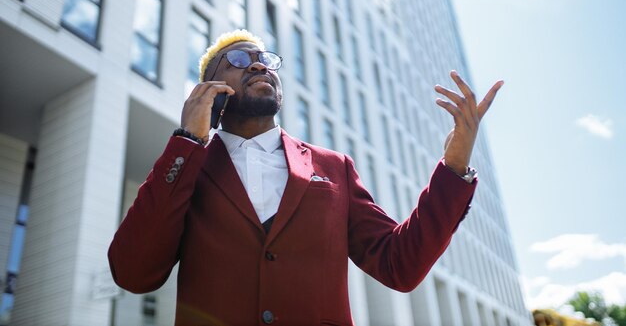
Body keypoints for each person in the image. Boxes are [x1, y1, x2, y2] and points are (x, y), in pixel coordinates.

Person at [108, 29, 503, 326]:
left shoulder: (334, 168)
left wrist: (453, 169)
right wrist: (188, 141)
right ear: (210, 88)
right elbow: (133, 272)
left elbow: (399, 264)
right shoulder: (186, 166)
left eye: (264, 58)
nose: (259, 64)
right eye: (240, 60)